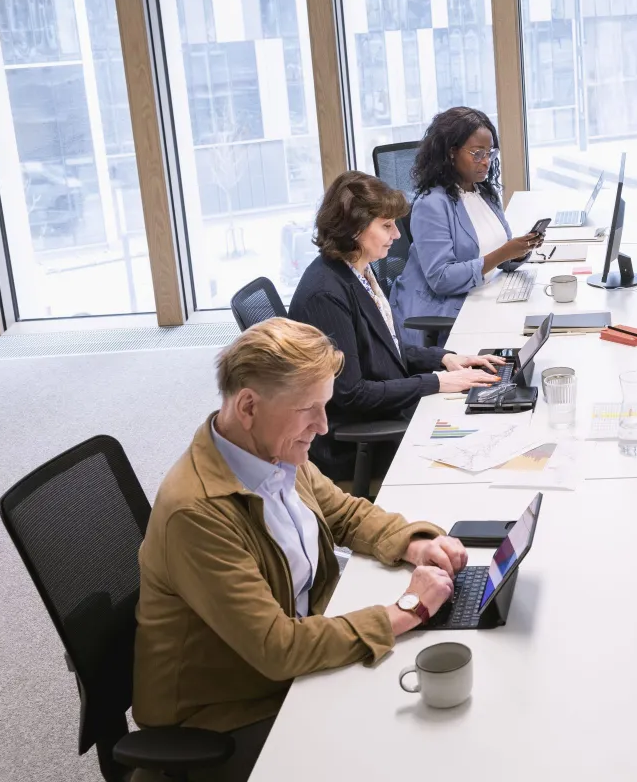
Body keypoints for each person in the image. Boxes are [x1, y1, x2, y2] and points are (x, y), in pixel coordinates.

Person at [133, 319, 469, 781]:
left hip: (290, 657)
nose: (324, 426)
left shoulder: (272, 451)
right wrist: (408, 609)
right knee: (406, 743)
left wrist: (417, 542)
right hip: (227, 712)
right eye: (309, 409)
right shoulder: (196, 513)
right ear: (249, 406)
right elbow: (277, 648)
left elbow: (346, 514)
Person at [289, 170, 502, 477]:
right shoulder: (325, 294)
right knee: (480, 446)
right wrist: (436, 382)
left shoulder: (357, 271)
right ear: (354, 228)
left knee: (485, 419)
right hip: (359, 441)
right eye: (386, 225)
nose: (398, 235)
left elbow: (386, 348)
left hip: (388, 412)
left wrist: (445, 359)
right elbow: (351, 394)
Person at [391, 106, 543, 345]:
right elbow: (441, 279)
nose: (486, 163)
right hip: (442, 312)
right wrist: (504, 253)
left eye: (490, 153)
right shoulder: (431, 205)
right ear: (451, 153)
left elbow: (499, 256)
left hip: (485, 294)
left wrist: (520, 250)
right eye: (476, 153)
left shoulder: (484, 192)